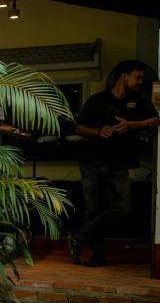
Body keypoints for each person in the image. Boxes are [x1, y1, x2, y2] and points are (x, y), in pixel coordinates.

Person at [68, 60, 159, 267]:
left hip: (119, 164)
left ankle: (78, 238)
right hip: (92, 162)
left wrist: (131, 124)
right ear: (123, 77)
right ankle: (98, 256)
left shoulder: (139, 100)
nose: (140, 81)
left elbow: (155, 120)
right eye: (138, 77)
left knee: (123, 208)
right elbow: (79, 129)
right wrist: (98, 131)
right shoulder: (97, 100)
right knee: (92, 211)